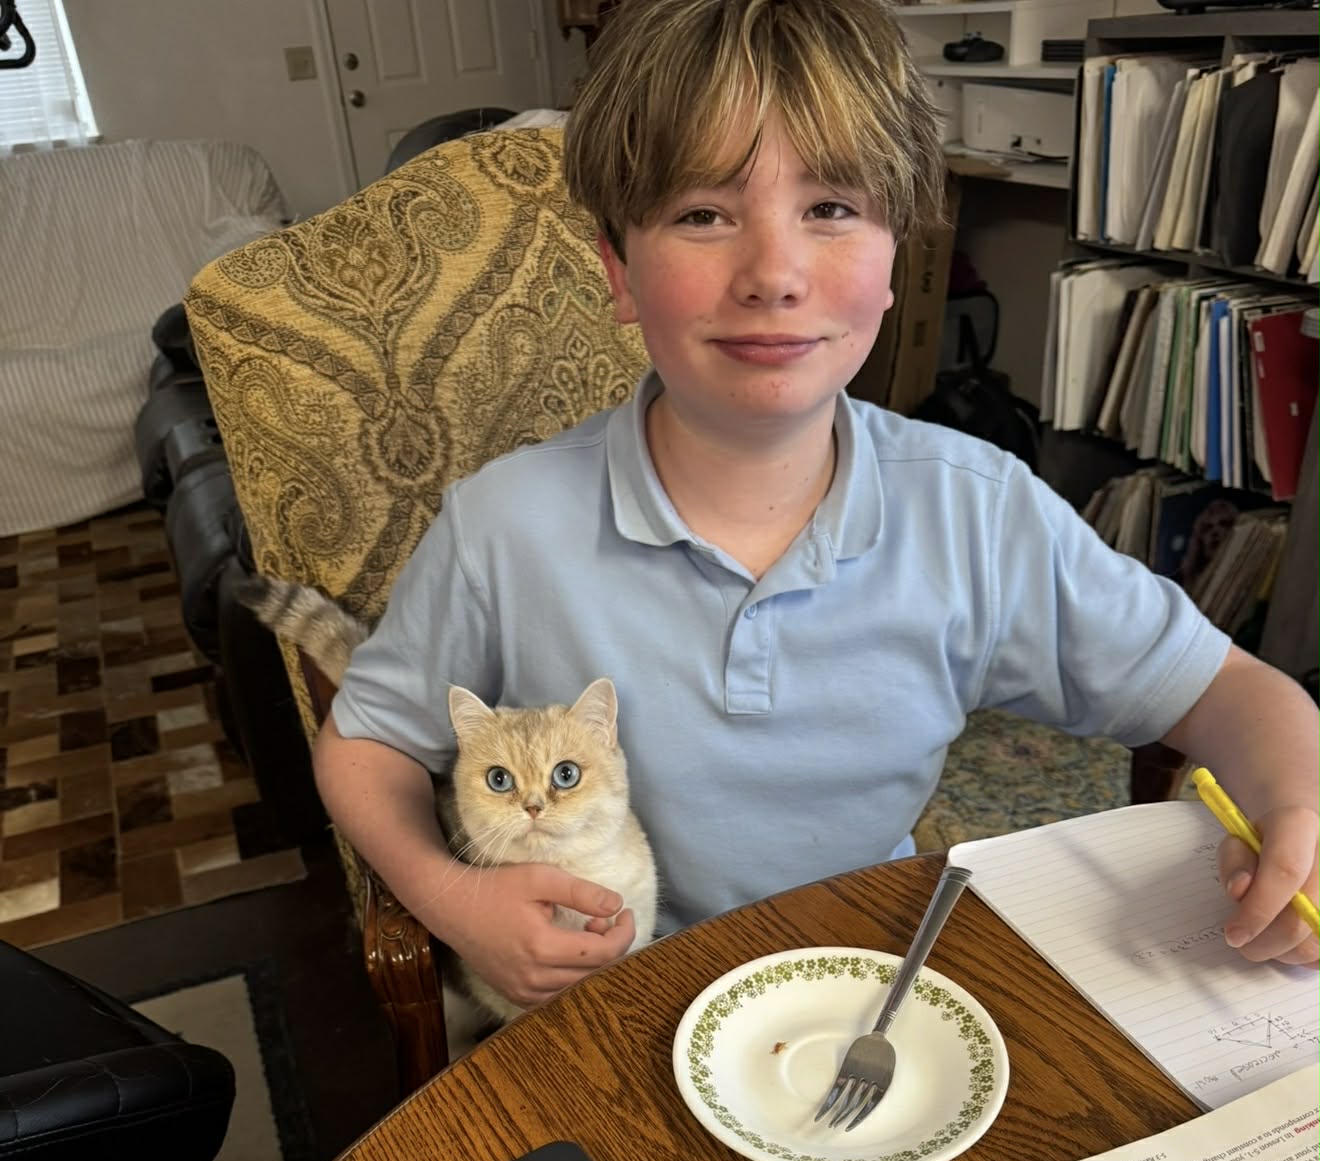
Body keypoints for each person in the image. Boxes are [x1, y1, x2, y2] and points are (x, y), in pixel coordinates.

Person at [314, 0, 1320, 1011]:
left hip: (863, 990)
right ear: (619, 272)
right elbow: (368, 742)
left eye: (831, 208)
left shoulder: (980, 515)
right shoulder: (504, 525)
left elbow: (1234, 693)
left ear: (896, 263)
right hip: (611, 1013)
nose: (776, 276)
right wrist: (450, 899)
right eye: (703, 214)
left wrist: (1299, 801)